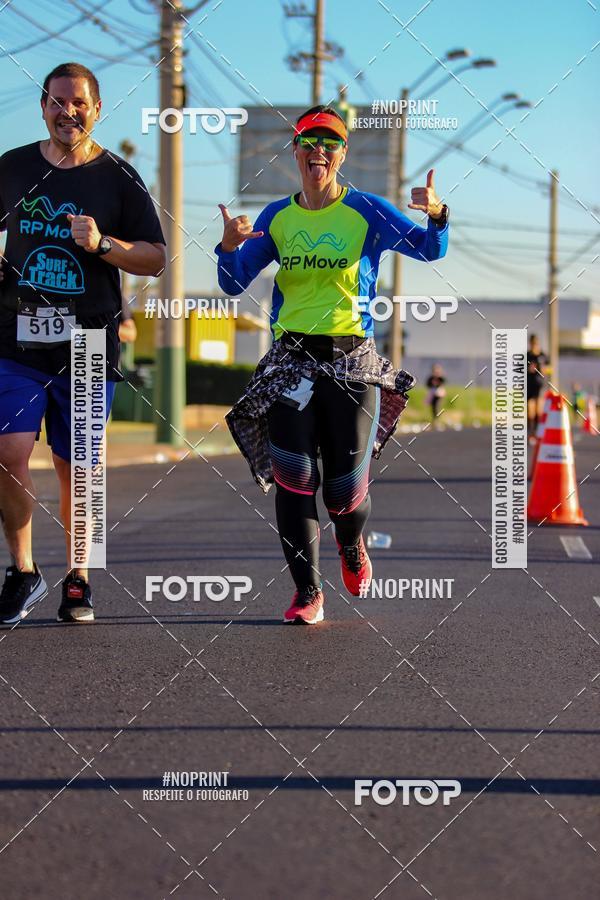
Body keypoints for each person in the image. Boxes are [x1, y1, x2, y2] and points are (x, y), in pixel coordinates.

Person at [215, 105, 449, 625]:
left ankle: (351, 543)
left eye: (329, 143)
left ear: (342, 154)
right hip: (289, 363)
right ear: (295, 151)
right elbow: (233, 282)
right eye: (307, 142)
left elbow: (429, 251)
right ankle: (307, 593)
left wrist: (437, 214)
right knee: (295, 480)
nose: (317, 151)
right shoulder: (278, 216)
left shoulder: (366, 210)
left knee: (344, 491)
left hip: (351, 363)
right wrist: (227, 248)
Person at [0, 62, 166, 626]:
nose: (67, 112)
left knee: (79, 470)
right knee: (8, 455)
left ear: (96, 109)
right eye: (57, 101)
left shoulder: (119, 177)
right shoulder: (13, 167)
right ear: (43, 106)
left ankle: (78, 576)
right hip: (16, 340)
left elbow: (155, 258)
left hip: (88, 345)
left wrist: (102, 244)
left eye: (79, 103)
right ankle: (22, 572)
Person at [527, 334, 548, 441]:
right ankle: (530, 431)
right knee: (530, 409)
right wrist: (528, 369)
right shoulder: (527, 356)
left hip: (539, 385)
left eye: (536, 343)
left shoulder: (543, 355)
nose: (534, 346)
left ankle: (537, 431)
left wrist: (544, 369)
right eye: (532, 343)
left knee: (538, 409)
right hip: (529, 384)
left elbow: (549, 368)